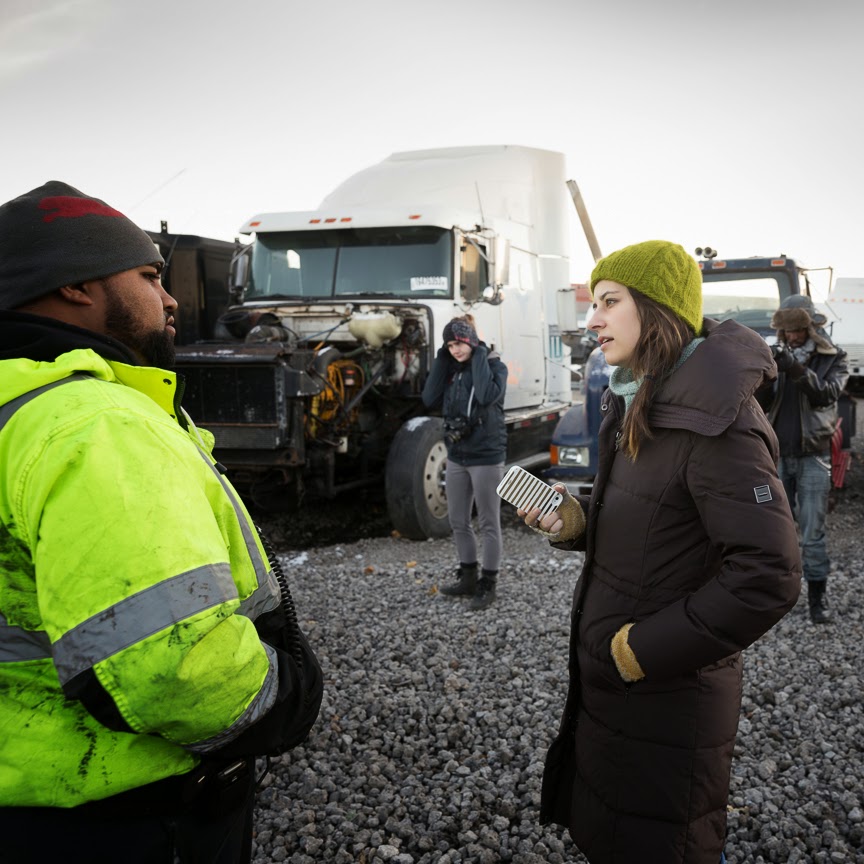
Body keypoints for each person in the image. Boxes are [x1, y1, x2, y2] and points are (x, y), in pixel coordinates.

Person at [0, 181, 324, 864]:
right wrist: (288, 696)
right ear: (76, 285)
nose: (172, 299)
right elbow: (169, 669)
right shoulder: (94, 426)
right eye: (150, 276)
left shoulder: (17, 409)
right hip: (121, 818)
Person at [518, 240, 802, 864]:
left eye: (609, 302)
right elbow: (653, 517)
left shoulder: (719, 423)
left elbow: (768, 575)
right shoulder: (642, 397)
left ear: (657, 309)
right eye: (594, 304)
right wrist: (575, 520)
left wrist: (638, 652)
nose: (592, 319)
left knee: (667, 843)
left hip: (665, 699)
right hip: (617, 695)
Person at [756, 294, 849, 624]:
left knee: (812, 535)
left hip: (814, 457)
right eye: (787, 330)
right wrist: (766, 373)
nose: (792, 336)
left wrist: (793, 367)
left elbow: (826, 394)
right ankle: (773, 597)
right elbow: (761, 403)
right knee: (772, 532)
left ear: (810, 328)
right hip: (777, 456)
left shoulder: (834, 357)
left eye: (797, 330)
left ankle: (816, 602)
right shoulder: (777, 355)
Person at [422, 314, 508, 610]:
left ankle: (488, 582)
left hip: (486, 455)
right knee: (457, 520)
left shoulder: (495, 366)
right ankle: (468, 576)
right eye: (450, 345)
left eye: (459, 343)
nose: (455, 349)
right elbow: (429, 397)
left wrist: (480, 354)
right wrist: (441, 358)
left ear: (471, 341)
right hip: (457, 454)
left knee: (488, 522)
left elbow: (485, 395)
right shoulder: (452, 369)